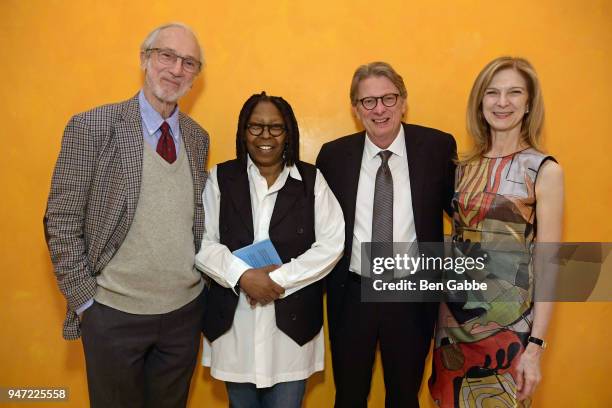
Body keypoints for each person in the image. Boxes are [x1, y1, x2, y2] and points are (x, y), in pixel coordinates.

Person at [44, 23, 209, 407]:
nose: (176, 69)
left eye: (188, 62)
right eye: (166, 56)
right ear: (145, 59)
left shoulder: (198, 137)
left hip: (184, 315)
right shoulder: (91, 127)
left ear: (196, 76)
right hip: (113, 315)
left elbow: (193, 218)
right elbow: (61, 220)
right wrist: (87, 303)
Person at [316, 61, 457, 407]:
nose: (380, 109)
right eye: (368, 101)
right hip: (352, 293)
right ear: (355, 109)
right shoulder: (333, 156)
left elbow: (463, 212)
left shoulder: (437, 148)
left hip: (410, 293)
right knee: (348, 395)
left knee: (404, 395)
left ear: (404, 102)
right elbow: (318, 225)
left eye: (389, 98)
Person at [428, 57, 564, 407]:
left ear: (529, 102)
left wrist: (535, 347)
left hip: (510, 330)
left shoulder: (543, 169)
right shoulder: (462, 167)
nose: (502, 102)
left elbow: (550, 266)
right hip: (452, 328)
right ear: (480, 101)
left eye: (514, 92)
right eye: (493, 93)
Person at [195, 92, 344, 408]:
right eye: (256, 126)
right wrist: (243, 276)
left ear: (288, 132)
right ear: (243, 131)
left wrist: (279, 279)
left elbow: (332, 244)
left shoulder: (312, 181)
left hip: (291, 336)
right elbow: (203, 242)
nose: (265, 136)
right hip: (235, 329)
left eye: (276, 127)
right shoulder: (220, 178)